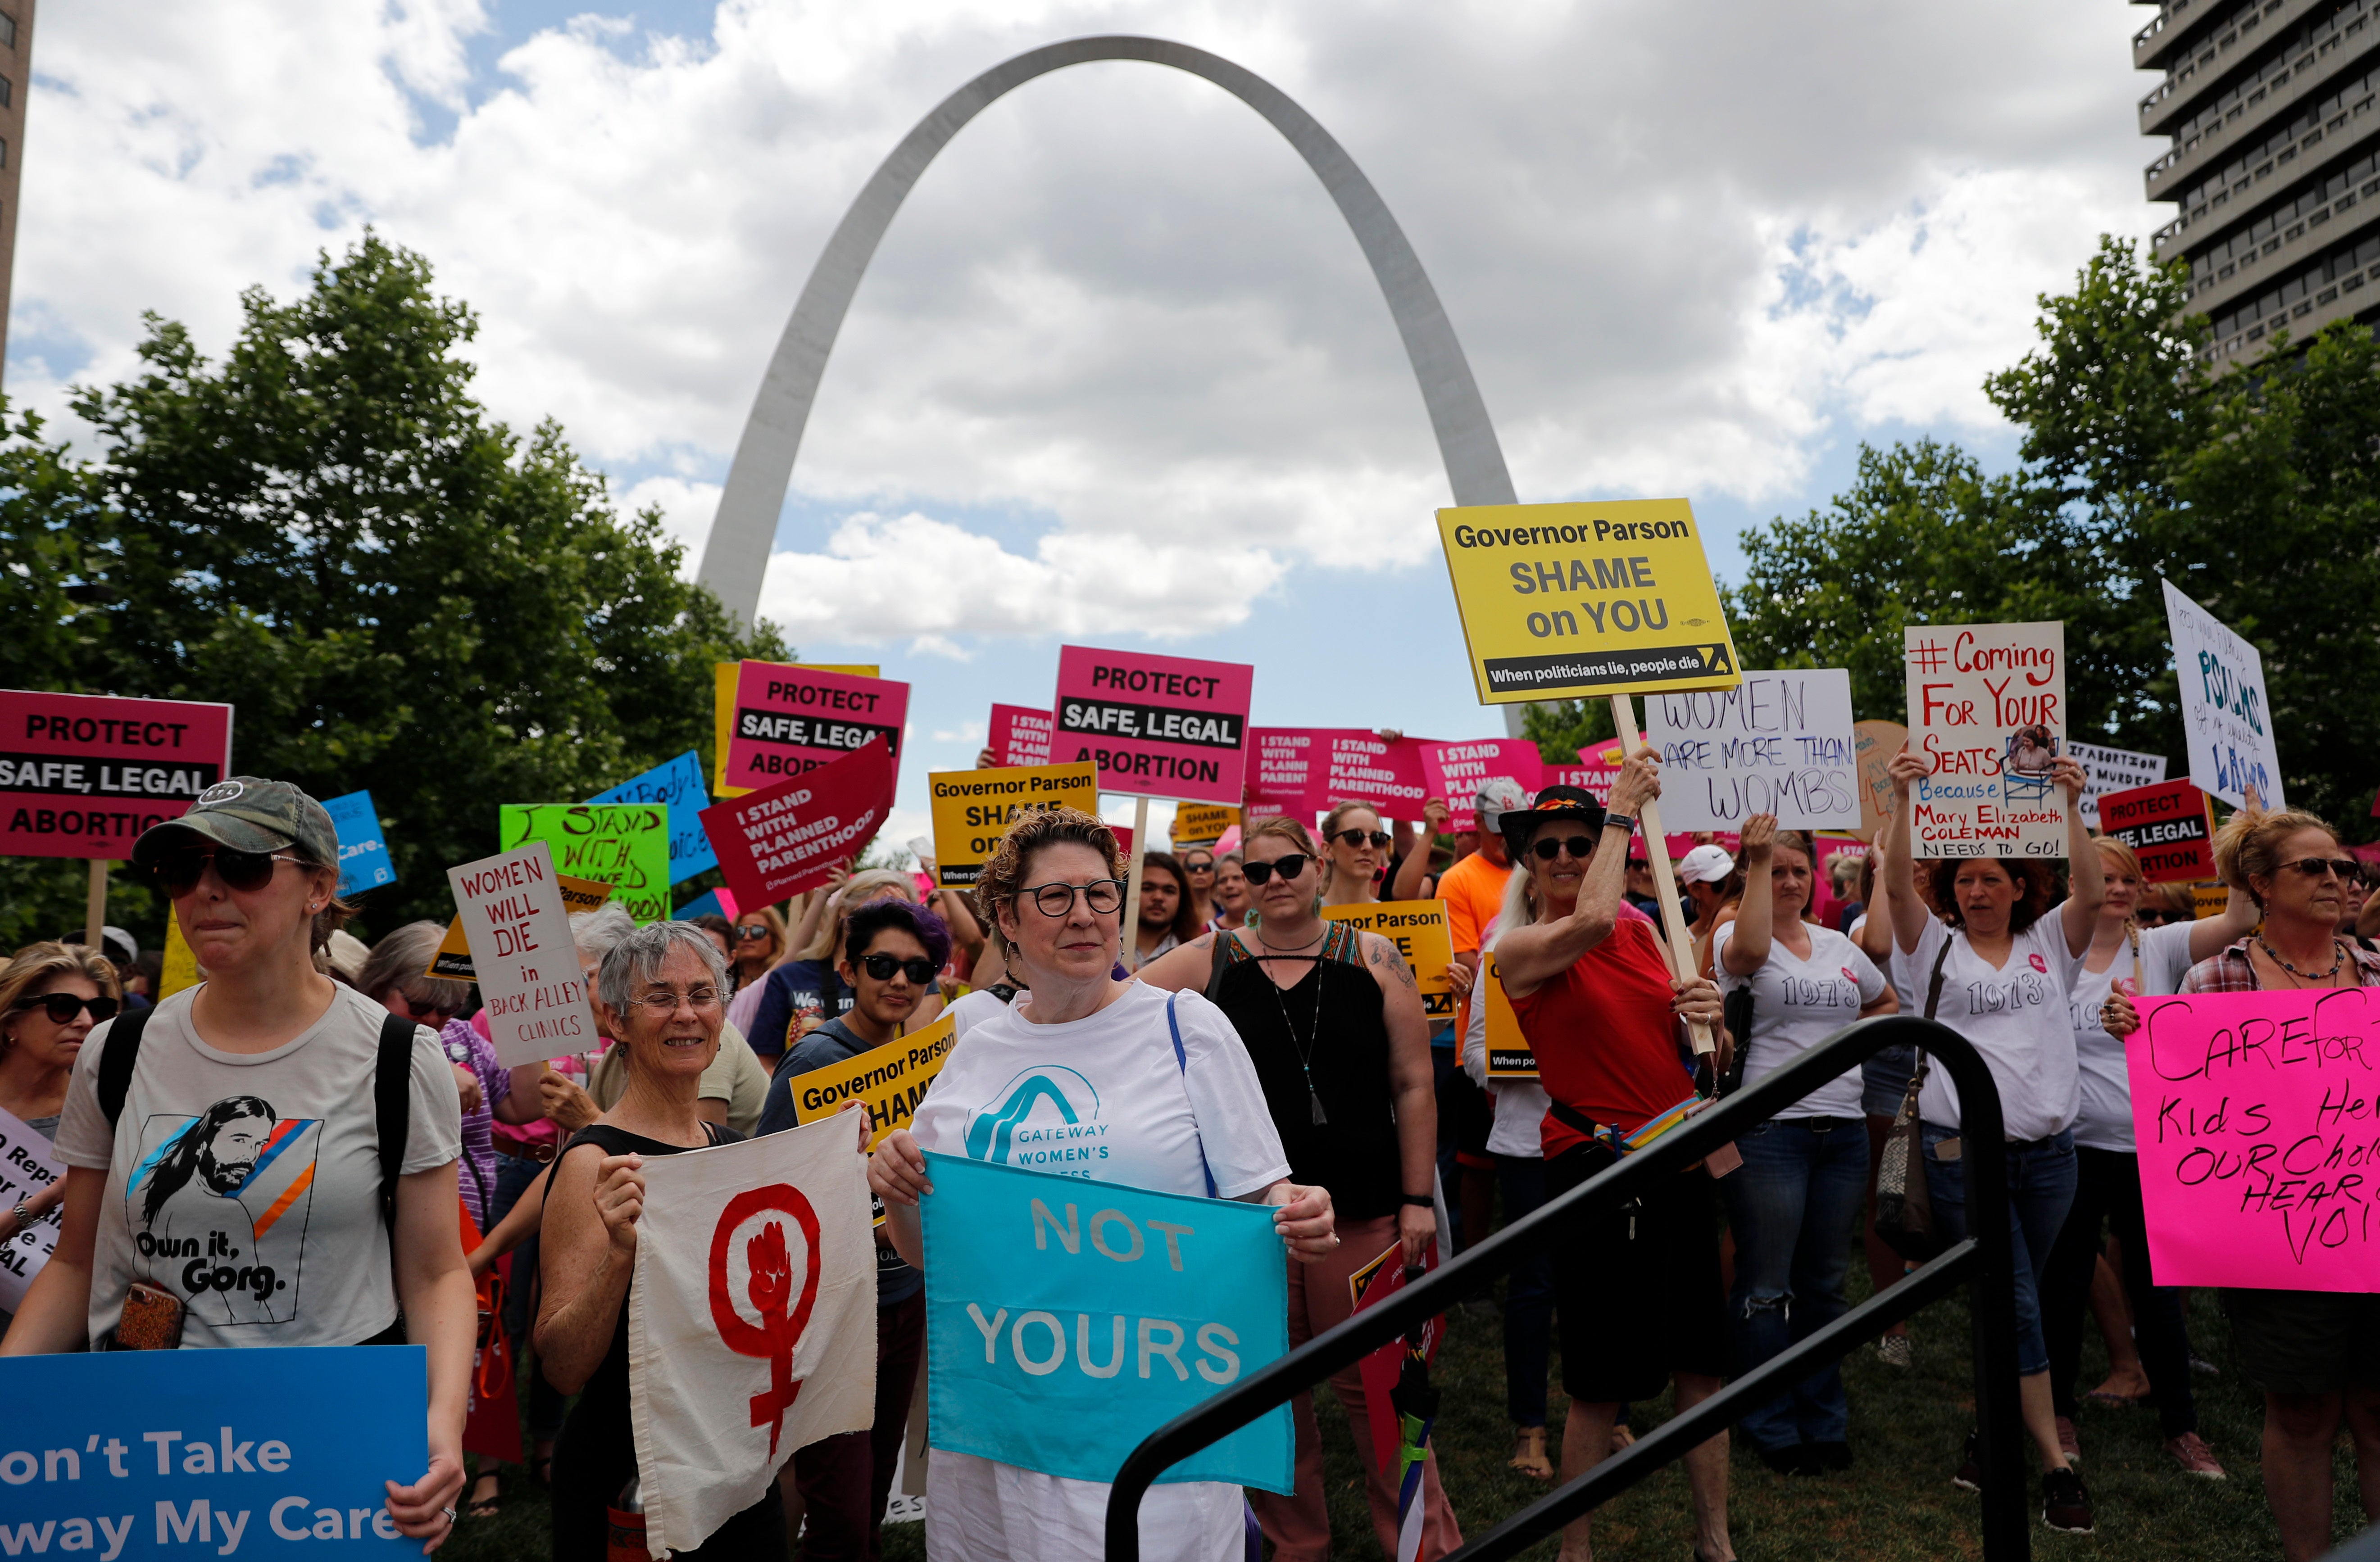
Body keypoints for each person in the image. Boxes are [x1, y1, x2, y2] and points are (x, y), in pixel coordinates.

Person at [3, 778, 472, 1548]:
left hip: (328, 1440)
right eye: (184, 867)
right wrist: (9, 1402)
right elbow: (76, 1260)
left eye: (244, 864)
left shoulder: (398, 1056)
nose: (207, 888)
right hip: (141, 1439)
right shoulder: (115, 1049)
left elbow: (436, 1273)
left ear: (319, 887)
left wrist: (441, 1426)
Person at [868, 804, 1335, 1562]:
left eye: (1099, 892)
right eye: (1055, 895)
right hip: (1004, 1418)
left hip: (1149, 1410)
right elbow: (928, 1255)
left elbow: (1266, 1194)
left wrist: (1299, 1209)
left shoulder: (1186, 1027)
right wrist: (895, 1190)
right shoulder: (972, 1048)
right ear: (1005, 917)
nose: (1084, 913)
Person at [1140, 818, 1456, 1561]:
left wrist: (1416, 1197)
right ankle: (1293, 1546)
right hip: (1247, 1224)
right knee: (1266, 1402)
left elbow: (1413, 1082)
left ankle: (1422, 1545)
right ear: (1238, 883)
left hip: (1364, 1210)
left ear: (1317, 865)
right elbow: (1110, 1005)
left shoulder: (1371, 955)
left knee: (1381, 1393)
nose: (1273, 880)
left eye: (1287, 864)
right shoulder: (1208, 958)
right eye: (1256, 871)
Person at [1491, 768, 1735, 1562]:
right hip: (1596, 1172)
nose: (1564, 855)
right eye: (1548, 846)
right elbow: (1590, 916)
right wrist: (1621, 809)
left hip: (1683, 1158)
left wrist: (1709, 1019)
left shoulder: (1643, 929)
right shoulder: (1520, 947)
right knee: (1597, 1378)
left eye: (1579, 841)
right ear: (1528, 862)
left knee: (1701, 1359)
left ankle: (1714, 1541)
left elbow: (1697, 1054)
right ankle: (1575, 1549)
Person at [1882, 746, 2103, 1533]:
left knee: (2017, 1302)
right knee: (2013, 1300)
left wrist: (2071, 804)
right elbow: (1893, 882)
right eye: (1963, 880)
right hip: (1958, 1156)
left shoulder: (2052, 940)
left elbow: (2090, 887)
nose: (1974, 890)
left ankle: (1987, 1426)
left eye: (1990, 878)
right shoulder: (1928, 948)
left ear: (2018, 886)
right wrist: (1905, 797)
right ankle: (2052, 1462)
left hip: (2051, 1158)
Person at [2153, 806, 2380, 1562]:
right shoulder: (2214, 977)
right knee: (2303, 1409)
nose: (2335, 879)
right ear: (2258, 883)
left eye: (2342, 866)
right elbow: (2189, 1107)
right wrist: (2143, 1038)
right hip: (2276, 1237)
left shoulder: (2377, 967)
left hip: (2372, 1221)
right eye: (2311, 866)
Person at [537, 920, 788, 1557]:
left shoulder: (734, 1152)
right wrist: (619, 1255)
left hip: (734, 1465)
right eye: (660, 997)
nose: (686, 1015)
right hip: (630, 1472)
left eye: (702, 995)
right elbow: (563, 1367)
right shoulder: (593, 1164)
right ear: (618, 1022)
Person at [2040, 835, 2252, 1481]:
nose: (2121, 888)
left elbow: (2242, 919)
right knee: (2065, 1285)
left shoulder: (2155, 946)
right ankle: (2058, 1412)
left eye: (2130, 878)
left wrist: (2242, 837)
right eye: (2106, 877)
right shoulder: (2053, 949)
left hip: (2150, 1149)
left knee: (2159, 1293)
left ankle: (2182, 1427)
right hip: (2071, 1146)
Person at [750, 897, 945, 1562]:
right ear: (848, 970)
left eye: (916, 969)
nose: (899, 981)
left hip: (902, 1300)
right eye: (882, 964)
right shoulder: (815, 1061)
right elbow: (766, 1193)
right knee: (838, 1503)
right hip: (833, 1310)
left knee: (870, 1492)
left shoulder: (928, 1064)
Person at [1714, 815, 1899, 1475]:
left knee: (1823, 1283)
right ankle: (1768, 1420)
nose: (1791, 881)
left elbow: (1884, 1001)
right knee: (1767, 1283)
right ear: (1750, 873)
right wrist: (1758, 861)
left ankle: (1824, 1418)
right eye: (1776, 869)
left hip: (1842, 1133)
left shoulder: (1836, 946)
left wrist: (1842, 1049)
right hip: (1768, 1134)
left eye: (1799, 870)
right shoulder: (1734, 935)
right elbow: (1752, 952)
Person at [0, 943, 121, 1338]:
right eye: (63, 1006)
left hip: (49, 1343)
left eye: (101, 1010)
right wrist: (50, 1197)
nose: (86, 1021)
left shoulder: (112, 1120)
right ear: (11, 1022)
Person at [1437, 783, 1520, 1258]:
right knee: (1478, 1161)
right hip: (1483, 1037)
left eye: (1512, 827)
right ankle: (1475, 1265)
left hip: (1540, 1033)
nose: (1504, 838)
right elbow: (1469, 961)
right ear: (1476, 824)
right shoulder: (1459, 879)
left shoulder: (1535, 869)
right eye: (1495, 829)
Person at [751, 869, 933, 1059]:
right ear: (844, 911)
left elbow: (920, 1057)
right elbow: (765, 1064)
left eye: (900, 917)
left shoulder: (911, 982)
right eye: (876, 911)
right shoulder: (790, 977)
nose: (887, 925)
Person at [1677, 843, 1742, 978]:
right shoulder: (1679, 947)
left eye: (1734, 881)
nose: (1731, 890)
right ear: (1694, 889)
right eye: (1721, 885)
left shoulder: (1756, 927)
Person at [1131, 850, 1201, 968]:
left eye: (1169, 891)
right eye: (1148, 889)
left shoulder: (1196, 955)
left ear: (1182, 898)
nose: (1158, 897)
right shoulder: (1104, 945)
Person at [1318, 799, 1392, 907]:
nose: (1368, 847)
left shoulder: (1393, 920)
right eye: (1354, 837)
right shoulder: (1304, 919)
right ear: (1328, 850)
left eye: (1377, 838)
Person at [726, 906, 786, 993]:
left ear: (775, 938)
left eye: (757, 931)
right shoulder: (722, 981)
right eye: (740, 931)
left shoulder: (785, 979)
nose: (747, 937)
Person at [1178, 843, 1220, 928]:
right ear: (1184, 873)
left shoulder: (1227, 911)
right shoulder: (1175, 912)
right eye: (1193, 867)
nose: (1200, 871)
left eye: (1207, 867)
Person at [1210, 853, 1253, 932]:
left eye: (1237, 878)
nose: (1229, 885)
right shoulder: (1205, 932)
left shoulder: (1273, 925)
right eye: (1222, 881)